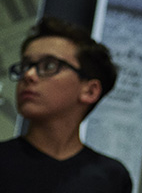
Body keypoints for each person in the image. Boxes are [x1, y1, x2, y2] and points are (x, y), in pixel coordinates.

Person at [1, 17, 132, 192]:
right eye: (25, 66)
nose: (29, 75)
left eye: (49, 66)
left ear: (90, 91)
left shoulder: (111, 177)